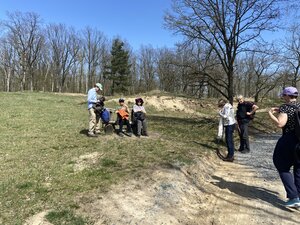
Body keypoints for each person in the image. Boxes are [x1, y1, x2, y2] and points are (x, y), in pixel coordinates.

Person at [268, 86, 300, 208]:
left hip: (289, 140)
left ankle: (293, 197)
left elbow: (280, 124)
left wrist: (271, 114)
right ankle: (299, 196)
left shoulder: (285, 107)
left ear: (287, 96)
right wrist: (280, 109)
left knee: (281, 165)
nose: (282, 97)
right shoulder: (299, 106)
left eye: (283, 95)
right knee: (298, 168)